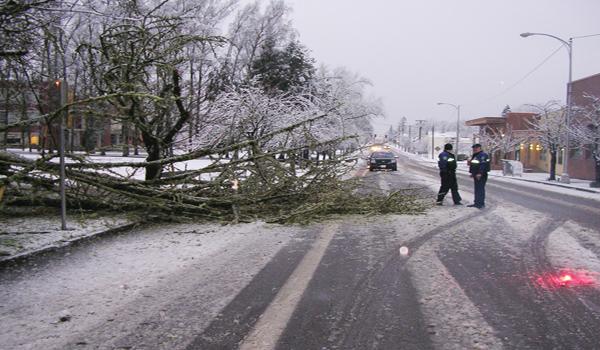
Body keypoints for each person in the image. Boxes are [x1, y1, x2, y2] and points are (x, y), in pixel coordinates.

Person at [467, 143, 490, 209]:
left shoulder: (483, 155)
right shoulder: (476, 155)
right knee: (477, 189)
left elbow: (482, 165)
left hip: (481, 175)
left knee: (480, 189)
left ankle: (480, 204)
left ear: (480, 148)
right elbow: (474, 165)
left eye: (476, 148)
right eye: (474, 148)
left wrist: (480, 173)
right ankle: (477, 203)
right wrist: (472, 173)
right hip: (476, 174)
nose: (474, 149)